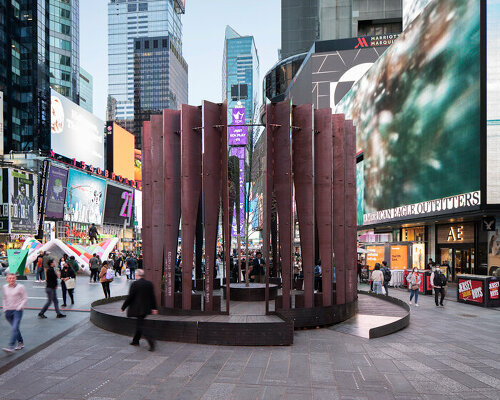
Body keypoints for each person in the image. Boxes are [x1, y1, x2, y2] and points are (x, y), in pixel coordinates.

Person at [121, 269, 158, 351]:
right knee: (139, 323)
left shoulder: (135, 284)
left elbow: (130, 297)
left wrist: (123, 307)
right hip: (146, 309)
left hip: (137, 308)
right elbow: (152, 296)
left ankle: (151, 341)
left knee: (141, 326)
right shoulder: (149, 284)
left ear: (137, 275)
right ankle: (135, 341)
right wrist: (154, 308)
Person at [2, 273, 27, 353]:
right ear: (6, 279)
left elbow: (25, 298)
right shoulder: (5, 287)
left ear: (15, 279)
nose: (11, 280)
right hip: (8, 311)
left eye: (13, 278)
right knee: (15, 328)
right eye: (9, 278)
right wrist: (5, 308)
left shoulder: (20, 287)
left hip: (17, 311)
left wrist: (19, 307)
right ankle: (21, 342)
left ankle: (11, 346)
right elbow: (4, 298)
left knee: (14, 328)